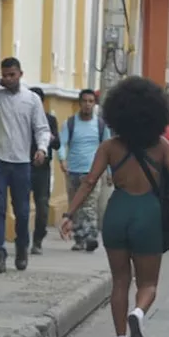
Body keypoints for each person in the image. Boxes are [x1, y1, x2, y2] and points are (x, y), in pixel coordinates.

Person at [58, 76, 169, 337]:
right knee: (148, 284)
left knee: (119, 281)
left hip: (117, 212)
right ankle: (138, 313)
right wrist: (168, 200)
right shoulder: (162, 146)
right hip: (148, 213)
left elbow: (89, 182)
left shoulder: (110, 147)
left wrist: (69, 214)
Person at [0, 58, 50, 272]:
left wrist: (42, 148)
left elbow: (42, 128)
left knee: (23, 210)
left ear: (21, 74)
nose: (9, 79)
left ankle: (21, 249)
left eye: (13, 75)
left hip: (21, 162)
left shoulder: (31, 99)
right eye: (5, 75)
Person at [59, 89, 111, 253]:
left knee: (89, 206)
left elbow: (108, 148)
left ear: (94, 104)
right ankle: (79, 239)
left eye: (91, 101)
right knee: (75, 205)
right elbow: (61, 143)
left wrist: (109, 171)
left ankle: (91, 237)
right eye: (85, 101)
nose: (88, 105)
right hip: (73, 170)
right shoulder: (70, 123)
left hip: (93, 172)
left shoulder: (101, 125)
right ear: (80, 103)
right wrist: (62, 159)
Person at [28, 87, 61, 254]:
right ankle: (23, 239)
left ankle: (38, 239)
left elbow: (57, 143)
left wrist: (51, 139)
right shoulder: (23, 119)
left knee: (42, 205)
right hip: (24, 166)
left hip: (42, 169)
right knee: (21, 205)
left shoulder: (50, 120)